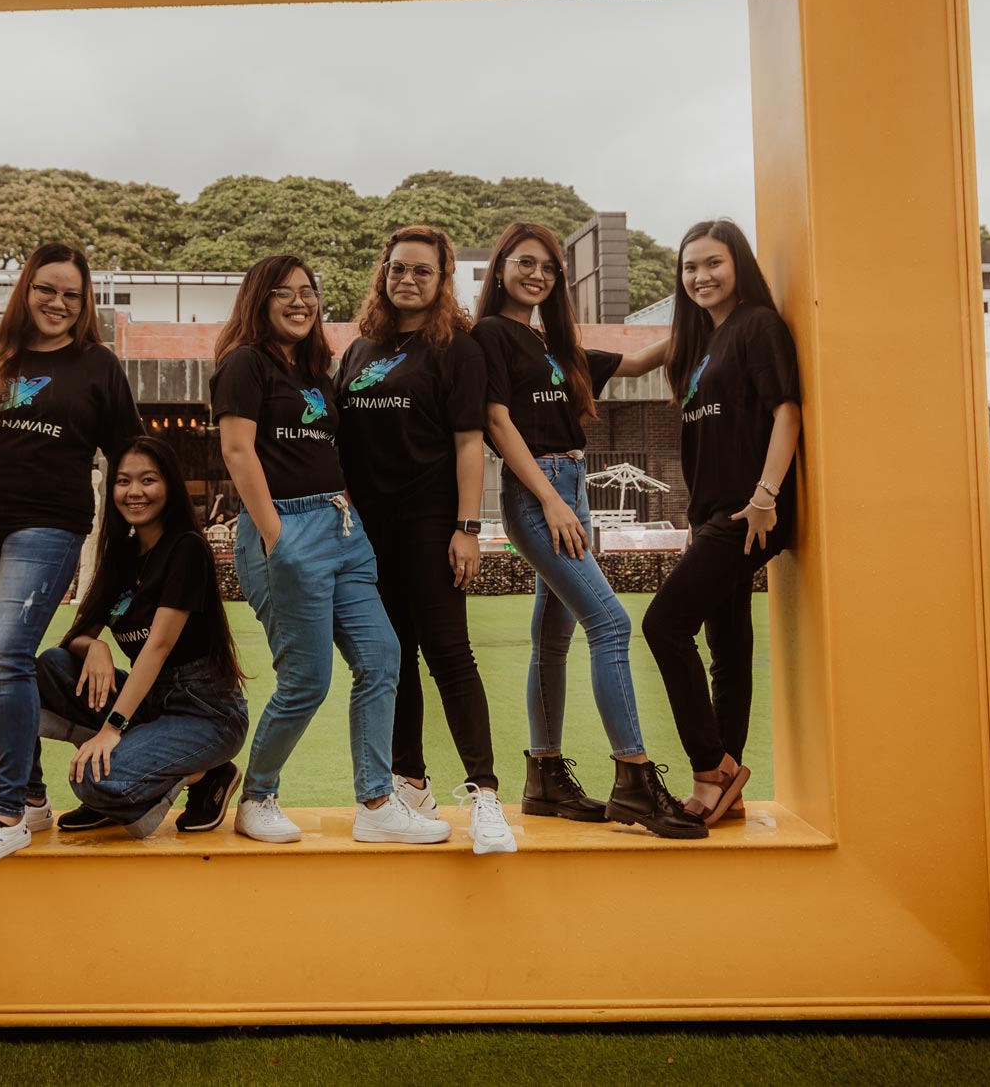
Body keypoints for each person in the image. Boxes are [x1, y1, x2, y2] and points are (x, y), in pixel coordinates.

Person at [472, 221, 702, 840]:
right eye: (525, 263)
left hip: (573, 485)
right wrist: (549, 500)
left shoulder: (554, 343)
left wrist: (709, 311)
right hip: (539, 489)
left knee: (553, 637)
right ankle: (634, 779)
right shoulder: (492, 334)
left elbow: (636, 361)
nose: (537, 274)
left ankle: (545, 776)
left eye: (548, 267)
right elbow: (495, 419)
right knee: (611, 622)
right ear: (501, 270)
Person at [212, 254, 448, 845]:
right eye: (284, 293)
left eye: (308, 292)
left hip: (342, 527)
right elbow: (239, 453)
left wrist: (349, 516)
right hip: (286, 531)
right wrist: (275, 535)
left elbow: (328, 452)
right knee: (306, 681)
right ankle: (257, 796)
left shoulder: (318, 371)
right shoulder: (245, 364)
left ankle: (375, 801)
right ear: (259, 300)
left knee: (382, 657)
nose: (300, 302)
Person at [0, 241, 144, 866]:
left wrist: (138, 534)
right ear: (26, 289)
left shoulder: (97, 365)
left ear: (85, 304)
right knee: (5, 661)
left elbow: (129, 454)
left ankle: (6, 812)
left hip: (49, 526)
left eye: (72, 295)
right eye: (48, 289)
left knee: (9, 652)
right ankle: (35, 798)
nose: (58, 303)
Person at [339, 225, 514, 854]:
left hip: (432, 523)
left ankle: (486, 797)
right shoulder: (359, 349)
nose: (407, 280)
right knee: (391, 657)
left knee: (448, 651)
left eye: (422, 271)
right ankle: (409, 785)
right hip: (368, 533)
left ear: (443, 280)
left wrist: (468, 528)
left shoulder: (457, 350)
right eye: (397, 269)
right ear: (382, 274)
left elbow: (472, 443)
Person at [638, 220, 802, 829]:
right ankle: (723, 786)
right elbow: (630, 365)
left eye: (713, 264)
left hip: (748, 512)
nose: (701, 277)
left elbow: (787, 410)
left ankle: (711, 768)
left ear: (738, 265)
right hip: (713, 515)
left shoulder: (757, 325)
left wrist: (766, 495)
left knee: (663, 623)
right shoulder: (701, 344)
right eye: (690, 268)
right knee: (727, 649)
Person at [33, 436, 249, 837]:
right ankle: (129, 780)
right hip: (150, 702)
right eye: (124, 481)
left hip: (206, 712)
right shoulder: (121, 557)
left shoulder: (186, 548)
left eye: (148, 480)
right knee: (52, 666)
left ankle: (208, 776)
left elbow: (159, 646)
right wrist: (94, 645)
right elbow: (74, 638)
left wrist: (111, 729)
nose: (135, 492)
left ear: (168, 485)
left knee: (92, 781)